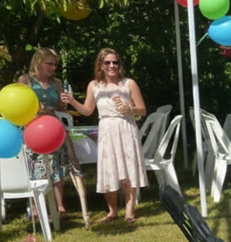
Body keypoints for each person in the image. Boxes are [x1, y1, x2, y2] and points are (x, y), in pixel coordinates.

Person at [63, 48, 148, 224]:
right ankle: (112, 211)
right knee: (108, 168)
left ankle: (130, 212)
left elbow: (142, 109)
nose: (112, 66)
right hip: (106, 128)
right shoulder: (94, 86)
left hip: (125, 127)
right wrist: (72, 101)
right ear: (101, 65)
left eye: (115, 62)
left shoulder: (128, 83)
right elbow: (87, 111)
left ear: (119, 64)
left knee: (128, 167)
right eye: (107, 63)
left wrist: (130, 109)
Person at [17, 48, 82, 217]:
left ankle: (59, 206)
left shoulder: (57, 82)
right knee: (35, 165)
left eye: (55, 64)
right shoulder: (26, 81)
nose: (53, 68)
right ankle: (37, 207)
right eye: (49, 64)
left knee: (57, 165)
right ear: (38, 62)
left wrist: (65, 102)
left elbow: (61, 108)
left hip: (53, 126)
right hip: (32, 127)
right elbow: (18, 105)